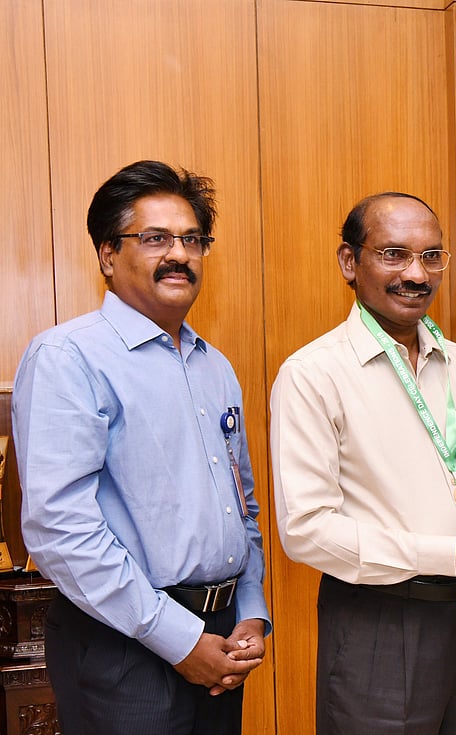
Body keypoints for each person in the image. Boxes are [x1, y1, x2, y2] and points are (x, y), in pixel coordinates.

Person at [12, 160, 271, 735]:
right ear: (108, 255)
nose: (179, 253)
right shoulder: (67, 357)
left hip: (223, 637)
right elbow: (60, 528)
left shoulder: (214, 365)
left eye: (192, 239)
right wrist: (177, 640)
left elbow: (242, 504)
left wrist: (251, 611)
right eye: (154, 238)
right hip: (124, 644)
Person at [270, 192, 456, 735]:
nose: (416, 273)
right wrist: (447, 555)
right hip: (379, 624)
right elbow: (306, 532)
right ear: (350, 262)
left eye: (432, 256)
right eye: (394, 254)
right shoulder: (313, 375)